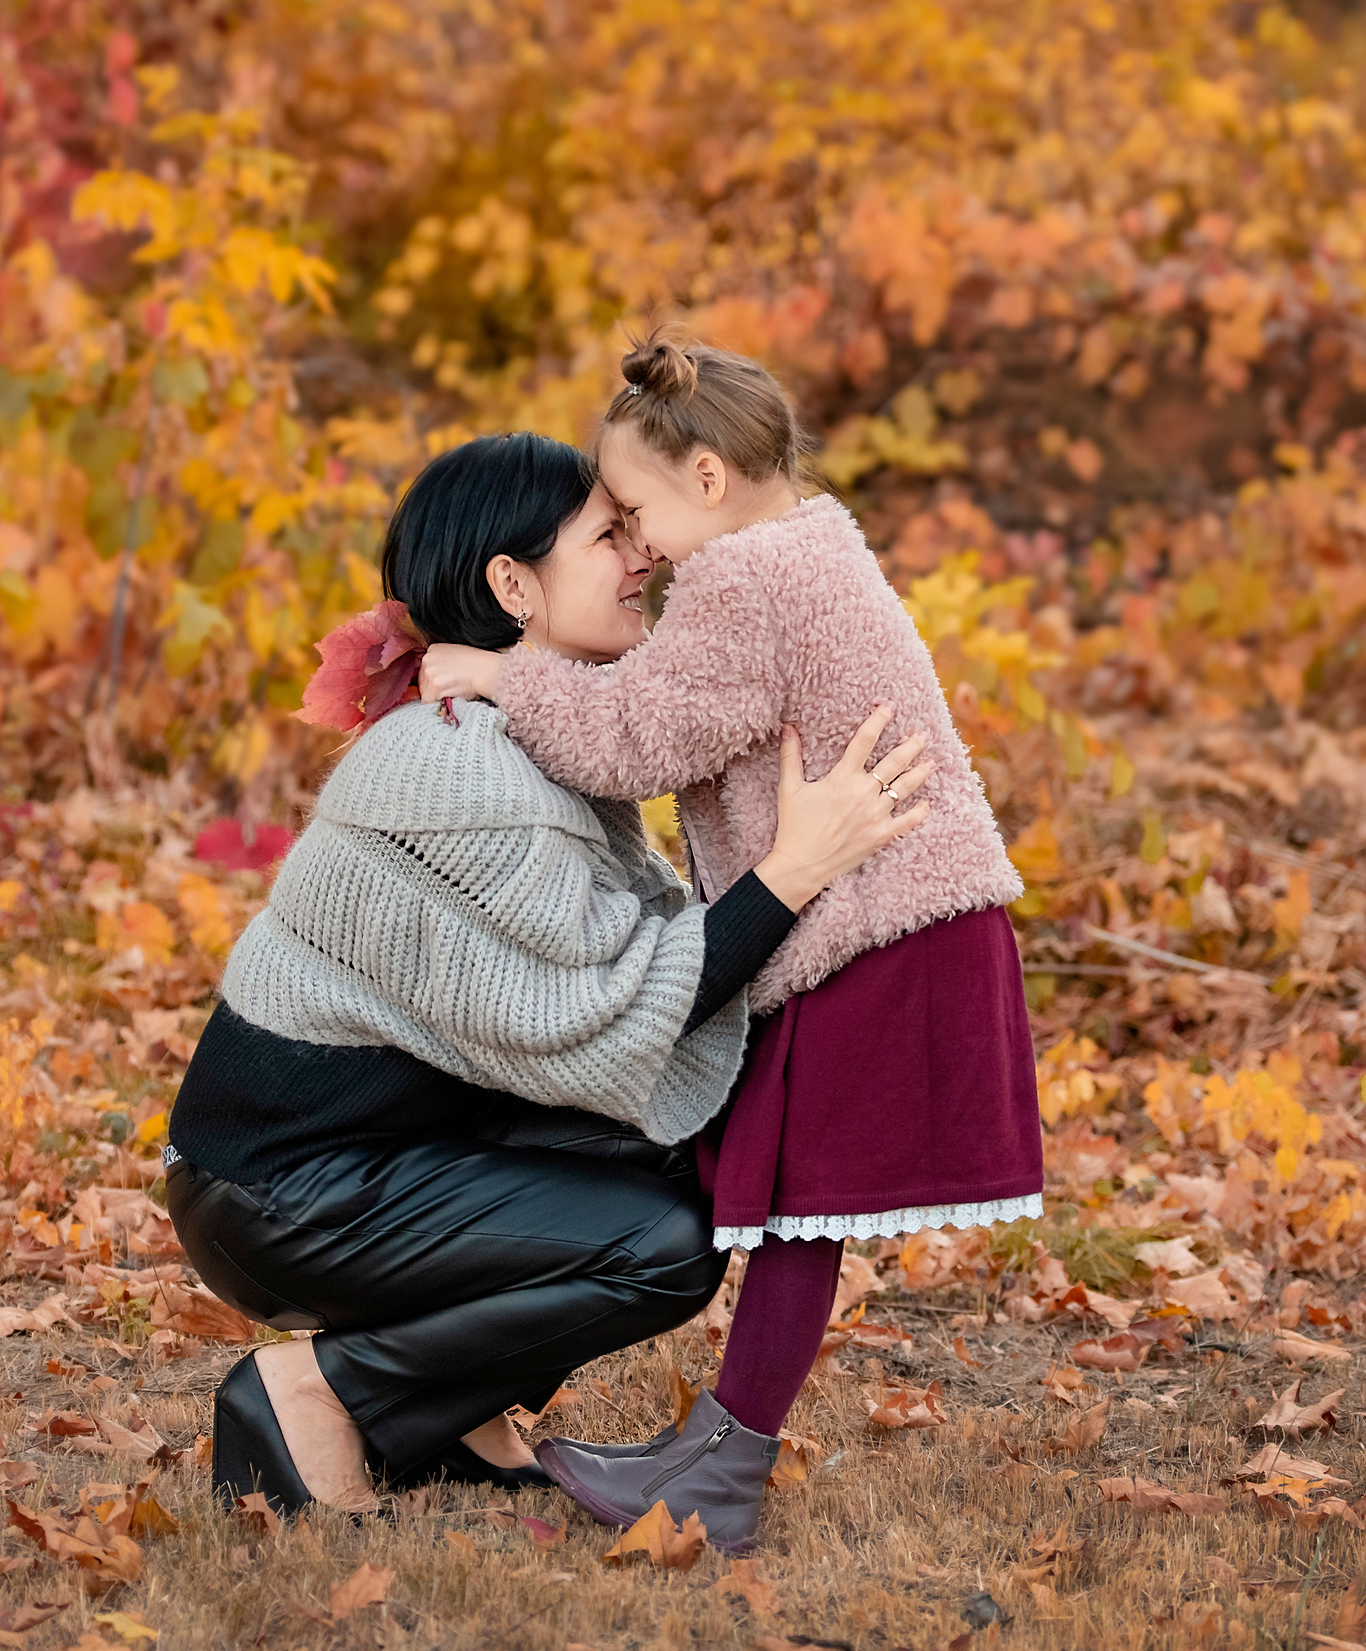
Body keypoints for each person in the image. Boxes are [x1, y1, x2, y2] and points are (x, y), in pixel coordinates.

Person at [163, 430, 934, 1519]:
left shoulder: (527, 734)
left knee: (688, 1163)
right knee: (657, 1247)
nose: (641, 557)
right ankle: (317, 1386)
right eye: (607, 535)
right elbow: (606, 1010)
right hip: (279, 1191)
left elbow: (627, 981)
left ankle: (451, 1413)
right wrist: (796, 868)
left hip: (384, 1149)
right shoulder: (456, 765)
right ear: (513, 583)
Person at [420, 327, 1045, 1553]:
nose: (636, 542)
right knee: (762, 1192)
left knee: (797, 1208)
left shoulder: (746, 581)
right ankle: (707, 1442)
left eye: (637, 509)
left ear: (706, 480)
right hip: (882, 916)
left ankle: (722, 1463)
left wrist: (503, 680)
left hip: (879, 927)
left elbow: (638, 742)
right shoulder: (809, 547)